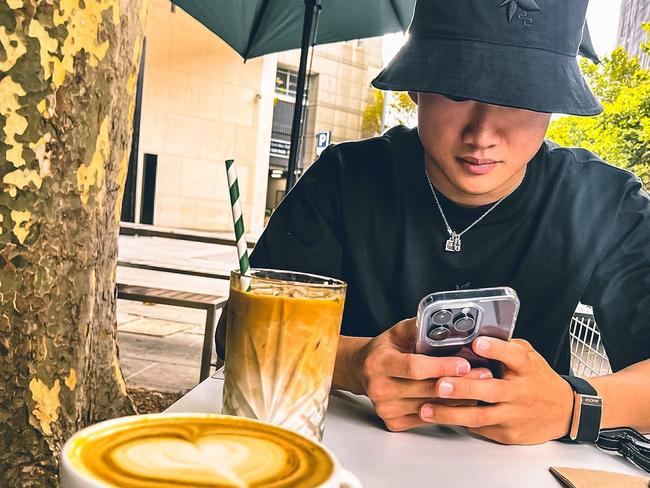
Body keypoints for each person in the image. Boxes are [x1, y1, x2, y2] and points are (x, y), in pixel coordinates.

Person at [216, 0, 650, 445]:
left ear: (552, 106)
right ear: (416, 87)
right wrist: (354, 362)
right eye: (456, 91)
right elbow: (238, 335)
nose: (482, 134)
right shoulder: (344, 179)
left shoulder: (605, 204)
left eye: (520, 97)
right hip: (341, 452)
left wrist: (572, 405)